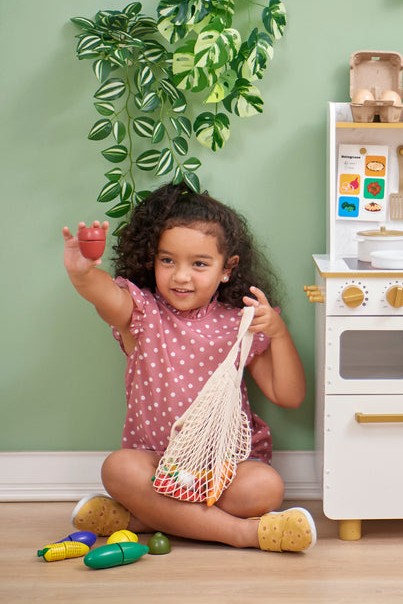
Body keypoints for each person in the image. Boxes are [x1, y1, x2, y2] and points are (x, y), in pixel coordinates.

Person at [61, 183, 315, 552]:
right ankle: (243, 534)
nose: (181, 276)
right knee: (117, 469)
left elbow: (288, 396)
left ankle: (142, 519)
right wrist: (82, 274)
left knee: (267, 488)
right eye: (168, 261)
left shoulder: (240, 322)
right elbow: (106, 297)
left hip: (225, 467)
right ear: (154, 261)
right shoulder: (143, 314)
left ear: (227, 269)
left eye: (199, 264)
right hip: (156, 463)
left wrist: (279, 333)